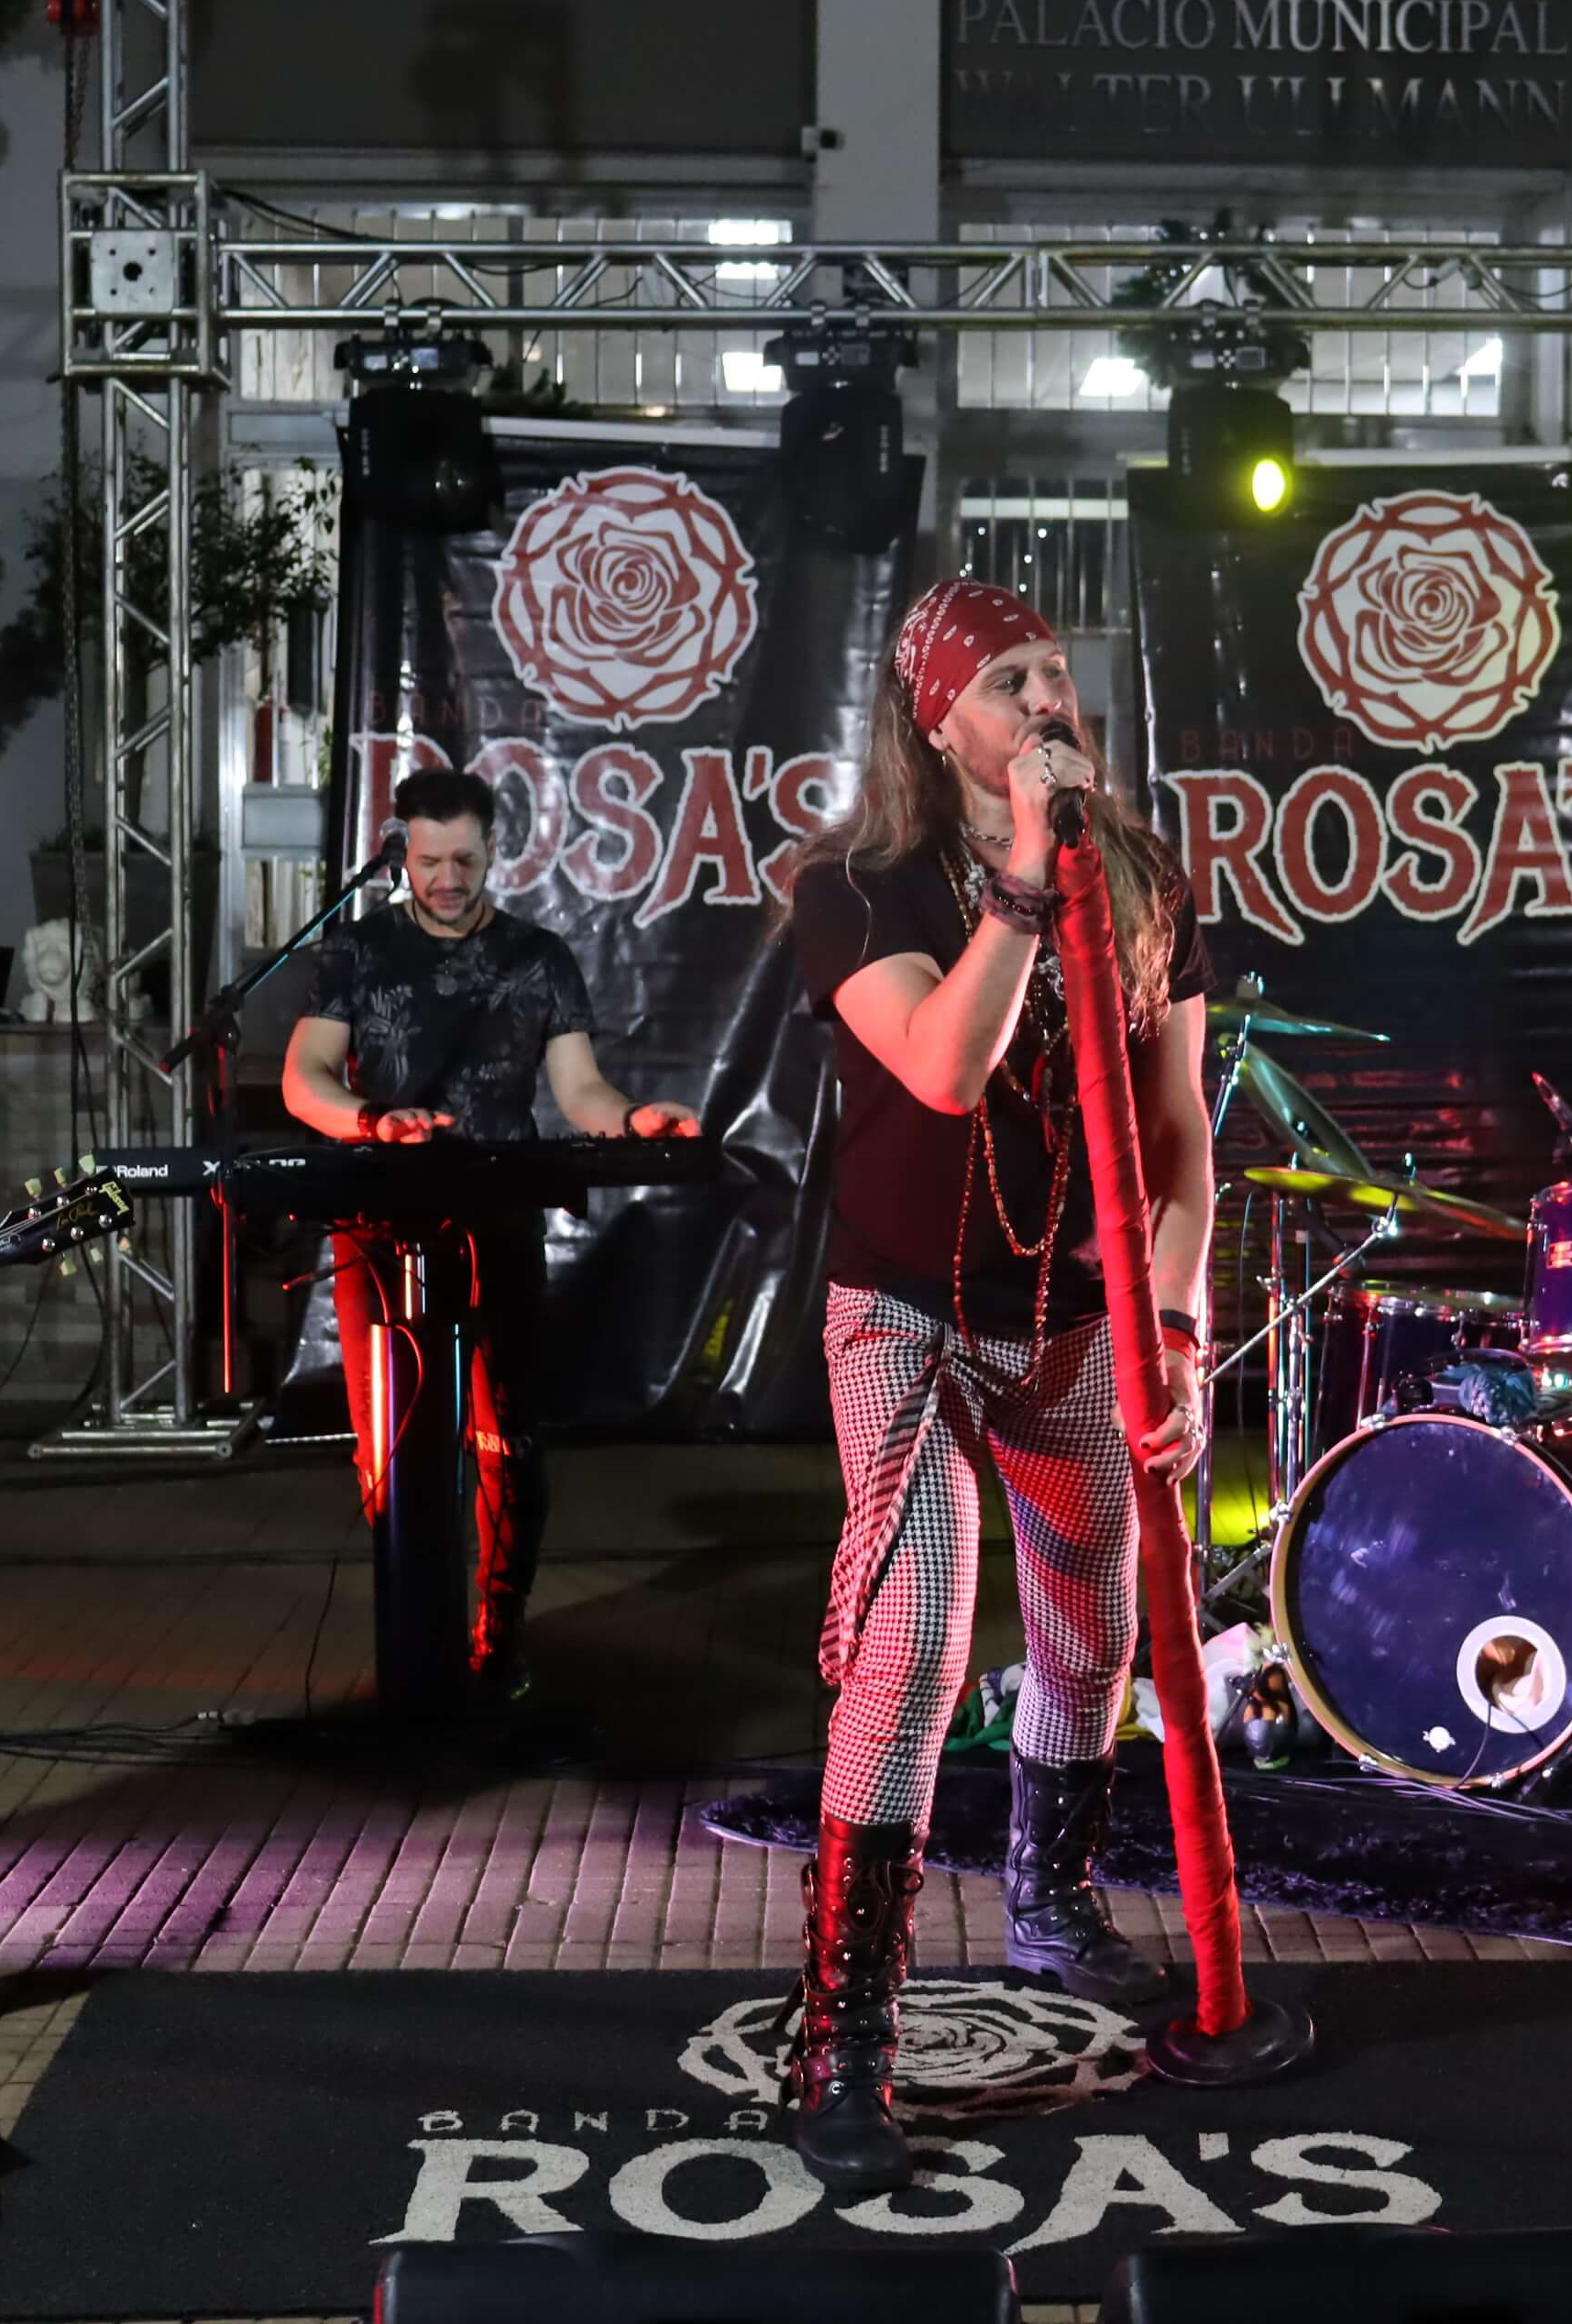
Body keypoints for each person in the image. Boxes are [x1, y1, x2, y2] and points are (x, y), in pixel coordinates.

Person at [780, 579, 1213, 2196]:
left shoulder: (1148, 878)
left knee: (1088, 1610)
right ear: (937, 720)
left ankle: (1046, 1905)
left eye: (1056, 672)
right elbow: (948, 1069)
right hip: (902, 1319)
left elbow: (1177, 1139)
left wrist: (1172, 1328)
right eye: (1008, 678)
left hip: (1075, 1319)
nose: (1048, 699)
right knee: (911, 1644)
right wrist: (1025, 885)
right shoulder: (854, 887)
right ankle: (844, 2043)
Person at [279, 766, 699, 1703]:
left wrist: (632, 1121)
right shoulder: (356, 948)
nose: (448, 877)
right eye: (429, 860)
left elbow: (580, 1088)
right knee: (383, 1438)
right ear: (401, 853)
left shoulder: (538, 956)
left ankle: (496, 1641)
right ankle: (412, 1639)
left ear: (495, 851)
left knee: (506, 1434)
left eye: (465, 858)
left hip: (495, 1217)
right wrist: (369, 1121)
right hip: (378, 1221)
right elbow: (304, 1073)